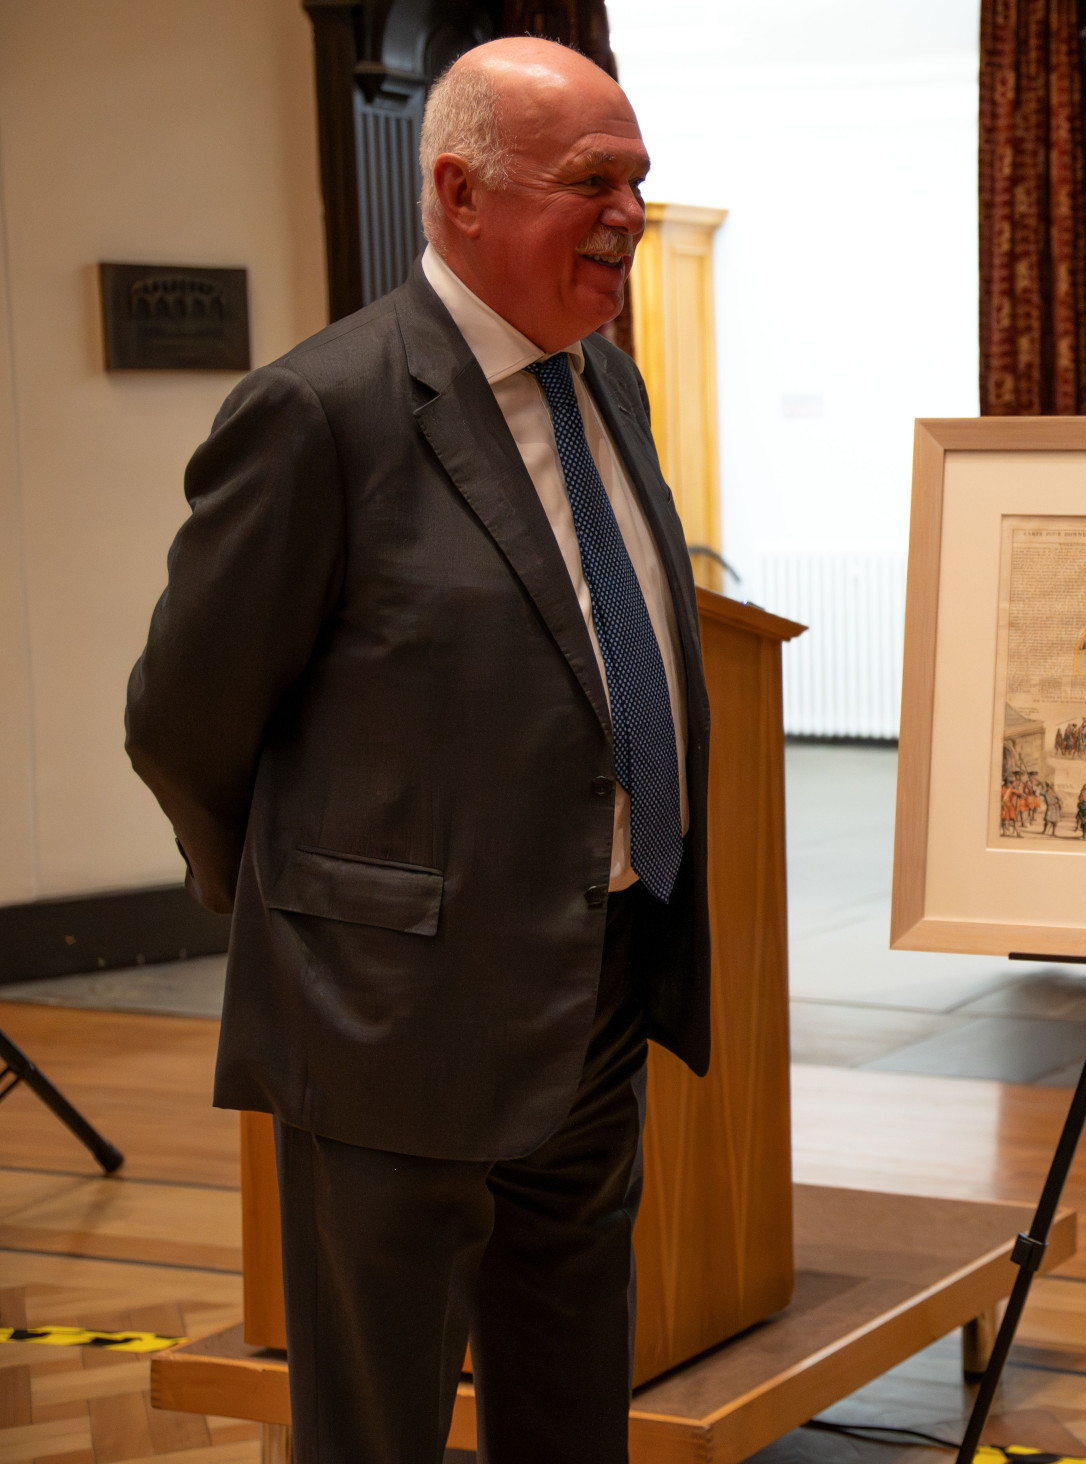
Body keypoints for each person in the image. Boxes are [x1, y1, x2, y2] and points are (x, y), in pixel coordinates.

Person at [124, 39, 710, 1464]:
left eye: (640, 179)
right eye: (595, 181)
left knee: (572, 1405)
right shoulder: (322, 413)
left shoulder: (606, 388)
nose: (633, 214)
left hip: (597, 990)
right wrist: (319, 923)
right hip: (388, 1031)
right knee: (375, 1427)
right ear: (457, 191)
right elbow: (183, 722)